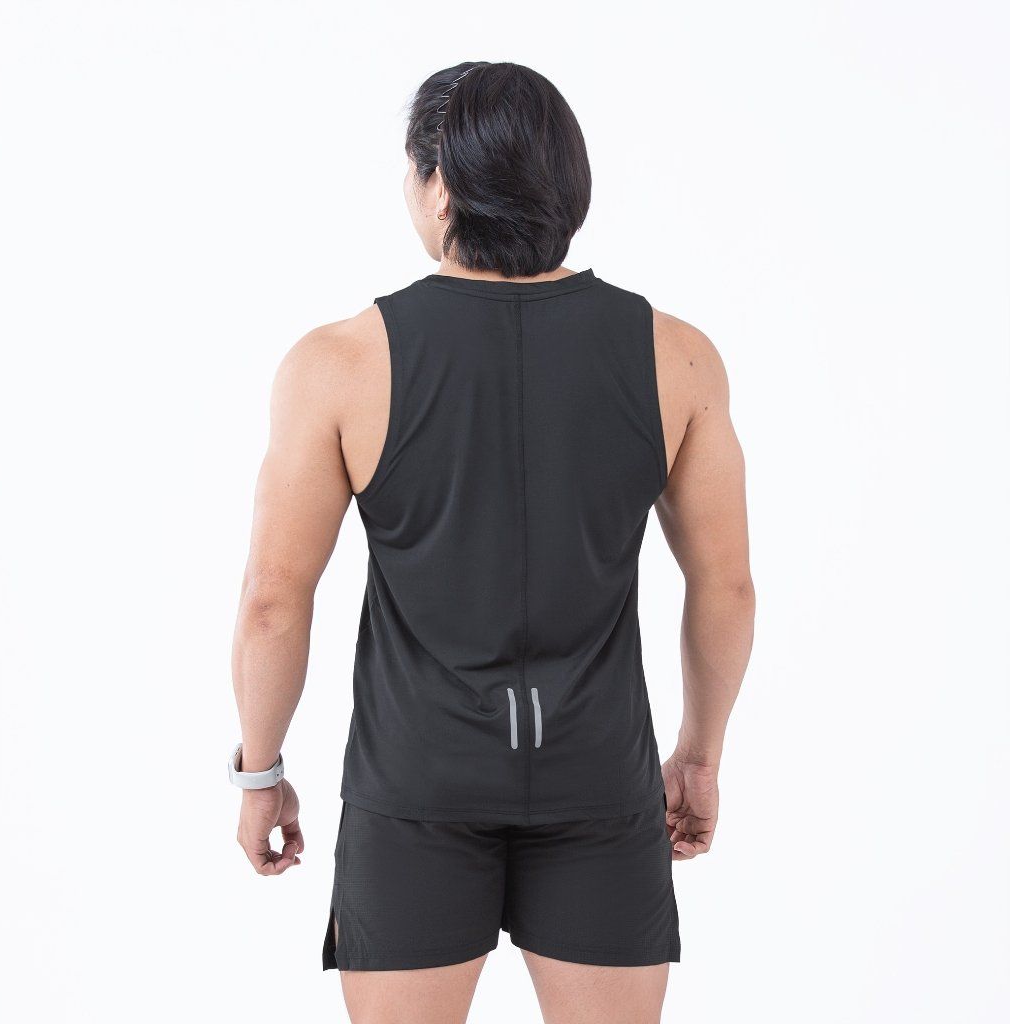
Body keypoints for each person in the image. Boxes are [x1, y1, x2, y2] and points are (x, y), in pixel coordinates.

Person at [229, 61, 755, 1024]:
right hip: (599, 782)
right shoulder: (677, 356)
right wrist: (698, 756)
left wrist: (261, 772)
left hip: (415, 786)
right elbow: (726, 586)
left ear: (441, 188)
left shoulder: (340, 364)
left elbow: (274, 598)